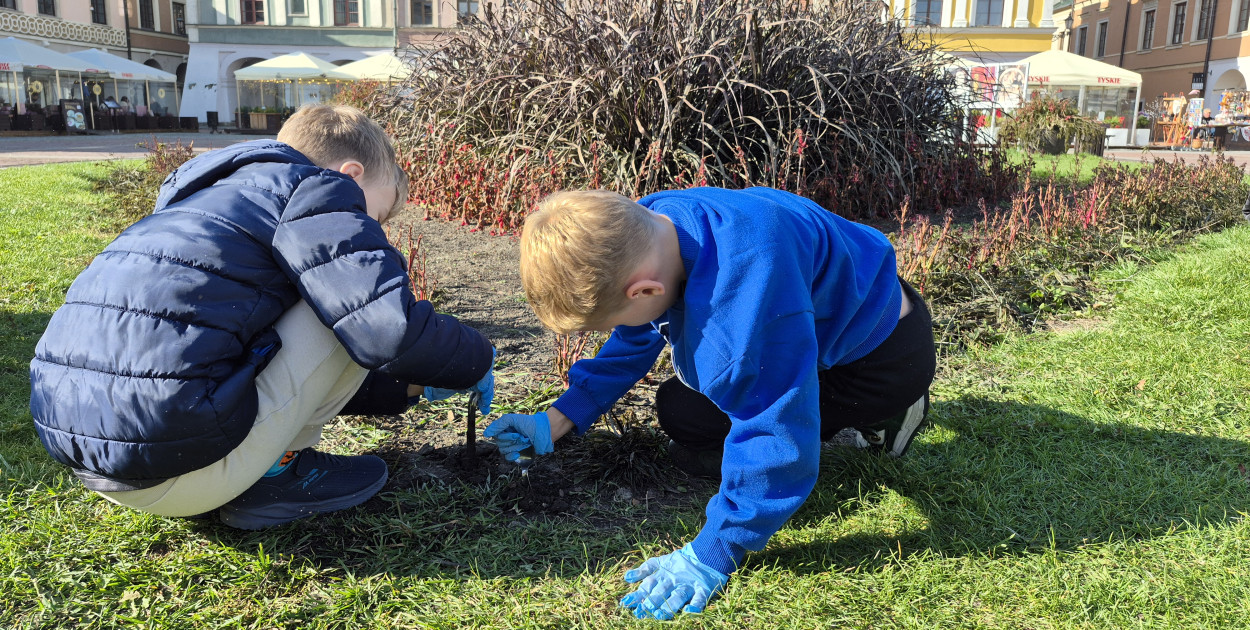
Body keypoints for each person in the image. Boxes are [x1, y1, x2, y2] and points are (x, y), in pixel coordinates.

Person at [29, 104, 495, 530]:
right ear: (350, 177)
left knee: (331, 300)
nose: (375, 231)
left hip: (95, 462)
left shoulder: (210, 198)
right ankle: (277, 474)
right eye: (376, 214)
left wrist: (411, 385)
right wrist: (478, 357)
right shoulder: (316, 190)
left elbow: (280, 367)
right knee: (342, 301)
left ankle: (268, 465)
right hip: (182, 471)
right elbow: (384, 329)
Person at [485, 187, 936, 619]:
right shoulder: (652, 224)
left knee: (756, 413)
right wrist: (561, 416)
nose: (618, 327)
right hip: (823, 307)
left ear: (644, 291)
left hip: (883, 360)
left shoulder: (737, 317)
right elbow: (636, 334)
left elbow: (774, 430)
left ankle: (892, 413)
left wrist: (714, 550)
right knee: (685, 411)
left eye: (613, 319)